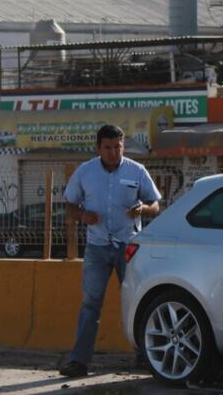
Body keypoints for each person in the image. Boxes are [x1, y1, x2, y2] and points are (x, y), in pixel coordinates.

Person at [58, 124, 161, 378]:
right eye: (108, 148)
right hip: (97, 247)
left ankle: (144, 356)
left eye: (118, 147)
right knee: (91, 303)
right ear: (98, 148)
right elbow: (69, 203)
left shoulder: (137, 171)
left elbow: (155, 204)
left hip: (130, 247)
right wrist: (82, 215)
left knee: (138, 301)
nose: (114, 152)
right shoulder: (85, 172)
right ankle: (79, 362)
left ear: (123, 146)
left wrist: (143, 210)